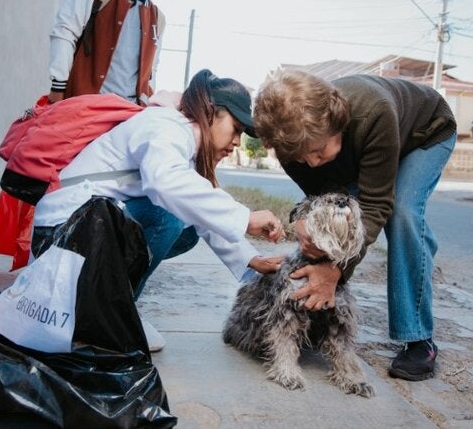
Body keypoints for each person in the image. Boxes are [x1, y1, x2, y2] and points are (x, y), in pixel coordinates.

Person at [31, 69, 286, 350]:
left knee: (185, 230)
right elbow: (166, 183)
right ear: (211, 112)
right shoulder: (166, 126)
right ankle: (110, 316)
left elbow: (196, 204)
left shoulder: (180, 141)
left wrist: (251, 259)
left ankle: (107, 306)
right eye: (236, 129)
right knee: (169, 217)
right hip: (61, 236)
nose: (237, 142)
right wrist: (246, 218)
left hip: (83, 231)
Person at [253, 70, 456, 381]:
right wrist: (304, 225)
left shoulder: (374, 112)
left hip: (424, 133)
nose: (312, 163)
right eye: (301, 157)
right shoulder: (291, 142)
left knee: (402, 211)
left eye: (318, 151)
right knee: (330, 212)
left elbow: (377, 205)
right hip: (361, 144)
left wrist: (335, 271)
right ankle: (316, 320)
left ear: (336, 125)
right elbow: (321, 199)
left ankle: (418, 338)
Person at [48, 0, 181, 105]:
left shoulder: (157, 19)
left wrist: (145, 107)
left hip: (128, 118)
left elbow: (151, 71)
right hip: (85, 108)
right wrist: (58, 89)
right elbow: (64, 33)